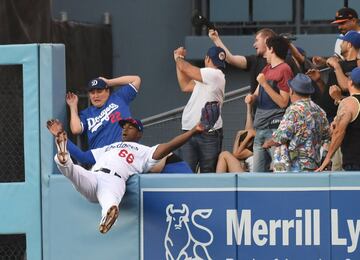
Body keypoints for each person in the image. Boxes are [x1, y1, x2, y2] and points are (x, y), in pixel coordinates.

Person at [46, 117, 205, 234]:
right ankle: (63, 155)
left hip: (115, 180)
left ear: (139, 134)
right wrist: (59, 133)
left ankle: (107, 218)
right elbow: (84, 157)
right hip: (94, 176)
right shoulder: (110, 147)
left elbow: (169, 146)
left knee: (110, 202)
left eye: (131, 127)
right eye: (124, 126)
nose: (125, 129)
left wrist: (192, 131)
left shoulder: (144, 152)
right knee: (73, 172)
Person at [263, 74, 331, 172]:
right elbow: (327, 136)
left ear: (292, 91)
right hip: (313, 165)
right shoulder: (319, 110)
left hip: (295, 166)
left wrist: (268, 143)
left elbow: (281, 137)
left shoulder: (294, 110)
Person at [173, 46, 226, 173]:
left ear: (207, 59)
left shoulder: (215, 74)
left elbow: (184, 68)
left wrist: (178, 57)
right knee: (186, 171)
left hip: (208, 132)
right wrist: (178, 62)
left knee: (207, 174)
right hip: (190, 129)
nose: (215, 66)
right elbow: (185, 86)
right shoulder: (206, 76)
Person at [245, 36, 293, 172]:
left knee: (280, 171)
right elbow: (256, 93)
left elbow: (283, 102)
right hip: (260, 128)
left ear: (272, 49)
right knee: (257, 174)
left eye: (266, 48)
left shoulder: (285, 69)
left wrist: (265, 84)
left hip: (274, 130)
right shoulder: (266, 68)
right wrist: (251, 98)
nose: (264, 52)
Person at [208, 28, 300, 94]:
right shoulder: (254, 60)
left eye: (256, 40)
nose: (254, 44)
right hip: (257, 116)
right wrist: (216, 39)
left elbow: (298, 85)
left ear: (267, 40)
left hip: (281, 116)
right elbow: (231, 59)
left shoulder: (287, 61)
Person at [66, 75, 141, 149]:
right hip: (101, 157)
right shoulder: (87, 113)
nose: (96, 96)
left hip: (123, 151)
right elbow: (76, 129)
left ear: (107, 91)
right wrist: (73, 106)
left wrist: (109, 82)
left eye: (99, 91)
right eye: (92, 93)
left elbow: (136, 80)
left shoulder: (119, 97)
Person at [317, 67, 360, 171]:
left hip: (354, 162)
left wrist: (328, 158)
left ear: (350, 82)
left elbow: (338, 132)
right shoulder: (348, 103)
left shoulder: (349, 103)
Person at [216, 102, 255, 173]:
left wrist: (248, 136)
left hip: (251, 177)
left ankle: (218, 182)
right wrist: (238, 136)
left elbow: (236, 154)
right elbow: (235, 152)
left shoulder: (256, 146)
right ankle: (219, 181)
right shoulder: (248, 145)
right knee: (223, 154)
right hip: (245, 174)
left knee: (224, 154)